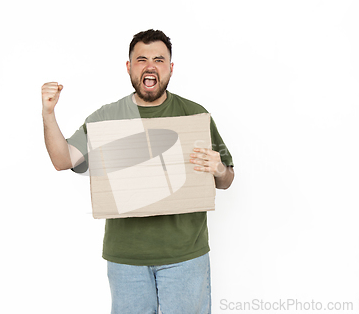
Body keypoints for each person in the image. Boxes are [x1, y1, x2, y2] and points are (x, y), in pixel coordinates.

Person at [41, 29, 234, 314]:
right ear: (130, 67)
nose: (150, 66)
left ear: (170, 67)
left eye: (159, 59)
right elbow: (63, 159)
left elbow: (226, 180)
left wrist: (218, 168)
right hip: (126, 259)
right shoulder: (107, 117)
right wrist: (48, 114)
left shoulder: (194, 114)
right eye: (141, 59)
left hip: (185, 256)